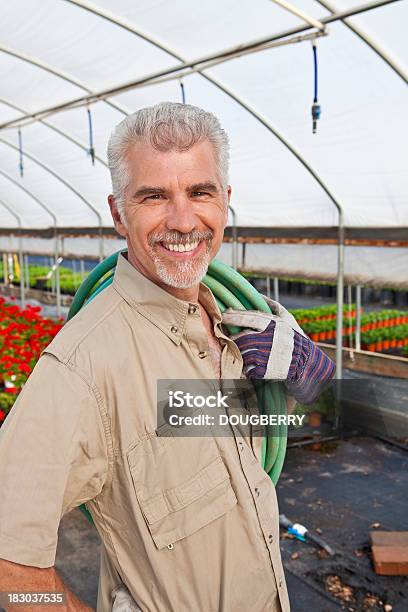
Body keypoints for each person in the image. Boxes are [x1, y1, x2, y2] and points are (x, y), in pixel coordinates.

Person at [0, 102, 334, 611]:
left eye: (200, 192)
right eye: (153, 196)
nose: (183, 221)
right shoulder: (85, 367)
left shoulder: (233, 324)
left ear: (225, 201)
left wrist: (310, 383)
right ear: (117, 213)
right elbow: (9, 558)